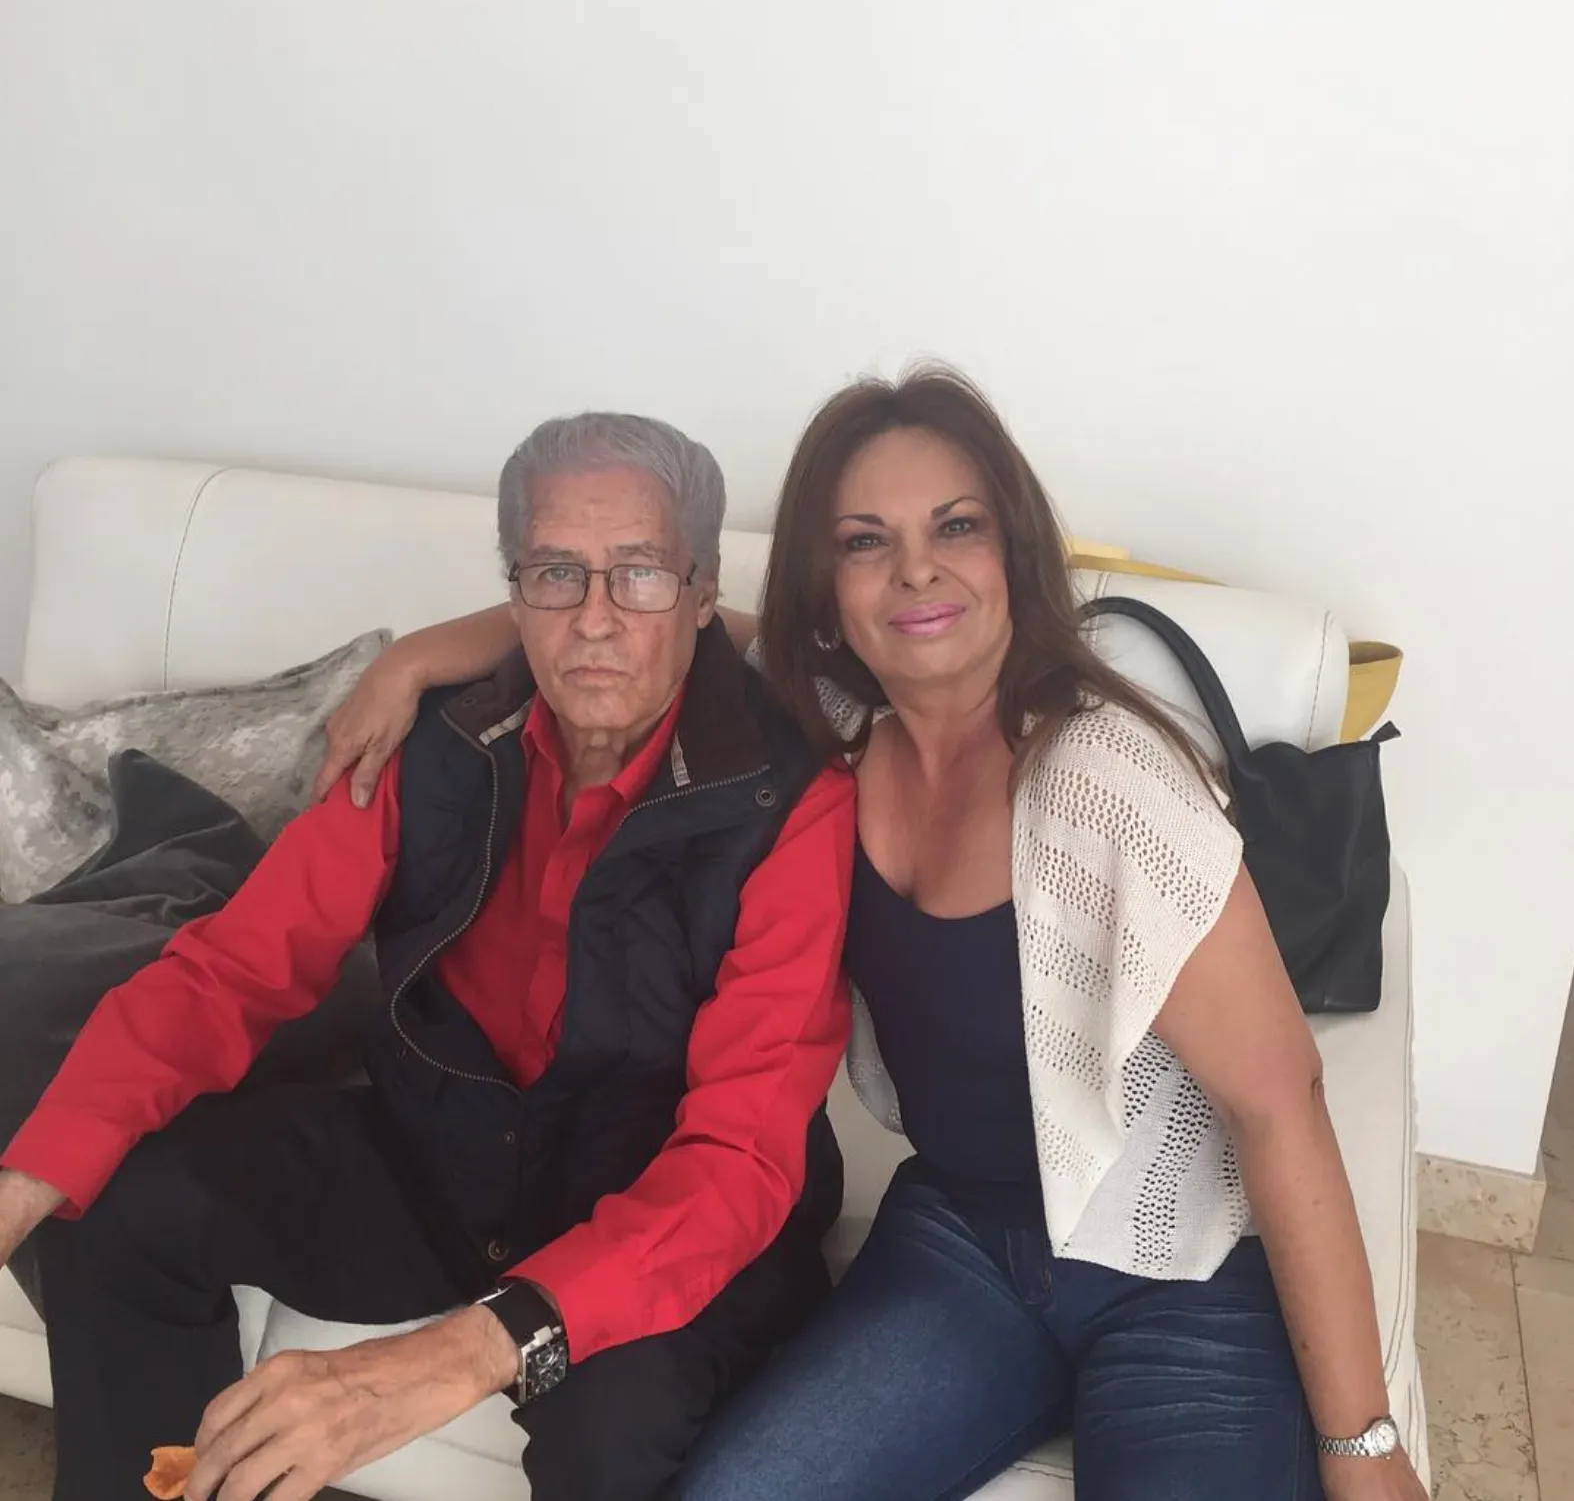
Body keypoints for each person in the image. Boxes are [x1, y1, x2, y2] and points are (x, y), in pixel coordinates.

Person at [313, 369, 1428, 1501]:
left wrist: (1364, 1445)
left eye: (956, 526)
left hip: (1180, 1279)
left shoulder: (1111, 781)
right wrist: (412, 659)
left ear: (1013, 551)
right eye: (865, 541)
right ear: (826, 585)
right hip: (963, 1249)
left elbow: (1280, 1101)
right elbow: (643, 622)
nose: (915, 569)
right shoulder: (830, 732)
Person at [0, 413, 858, 1501]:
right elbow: (234, 969)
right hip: (442, 1165)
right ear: (515, 592)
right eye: (556, 573)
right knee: (116, 1207)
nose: (595, 618)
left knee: (607, 1425)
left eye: (639, 573)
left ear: (700, 591)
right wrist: (28, 1177)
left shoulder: (792, 796)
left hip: (665, 1207)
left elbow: (738, 1158)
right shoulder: (431, 740)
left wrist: (460, 1352)